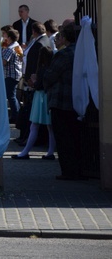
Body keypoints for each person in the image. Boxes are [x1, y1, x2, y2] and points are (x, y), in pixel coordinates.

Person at [45, 23, 84, 180]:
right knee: (76, 136)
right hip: (79, 100)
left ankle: (69, 171)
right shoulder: (82, 52)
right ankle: (80, 169)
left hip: (61, 100)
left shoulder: (64, 54)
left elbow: (50, 76)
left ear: (66, 37)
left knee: (63, 138)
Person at [13, 46, 56, 160]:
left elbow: (39, 85)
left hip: (40, 96)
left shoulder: (42, 68)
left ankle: (25, 151)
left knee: (34, 125)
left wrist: (33, 82)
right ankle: (50, 152)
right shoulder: (51, 66)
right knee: (49, 127)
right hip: (47, 96)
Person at [1, 28, 23, 124]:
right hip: (16, 74)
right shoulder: (17, 46)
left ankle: (15, 116)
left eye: (6, 36)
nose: (5, 38)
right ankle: (17, 115)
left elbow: (4, 62)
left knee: (11, 96)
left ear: (9, 37)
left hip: (10, 75)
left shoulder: (10, 49)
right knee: (12, 96)